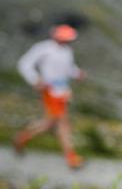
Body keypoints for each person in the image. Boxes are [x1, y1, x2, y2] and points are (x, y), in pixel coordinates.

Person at [14, 25, 86, 168]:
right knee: (63, 123)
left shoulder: (67, 52)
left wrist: (77, 73)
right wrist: (35, 79)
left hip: (62, 91)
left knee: (50, 124)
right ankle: (71, 158)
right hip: (50, 91)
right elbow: (24, 64)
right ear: (57, 37)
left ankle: (22, 138)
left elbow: (69, 69)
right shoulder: (43, 48)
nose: (66, 42)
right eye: (64, 39)